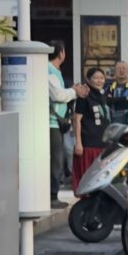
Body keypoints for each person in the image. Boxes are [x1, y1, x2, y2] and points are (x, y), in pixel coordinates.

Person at [72, 67, 112, 190]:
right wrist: (78, 142)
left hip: (104, 144)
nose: (99, 81)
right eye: (95, 78)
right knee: (88, 179)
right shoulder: (84, 97)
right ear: (88, 80)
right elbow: (76, 119)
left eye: (101, 78)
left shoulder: (104, 97)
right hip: (88, 145)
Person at [47, 42, 72, 203]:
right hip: (51, 123)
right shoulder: (49, 70)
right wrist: (74, 92)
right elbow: (58, 95)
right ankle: (52, 196)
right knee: (56, 159)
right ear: (61, 53)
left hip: (56, 123)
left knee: (57, 158)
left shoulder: (54, 71)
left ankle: (52, 193)